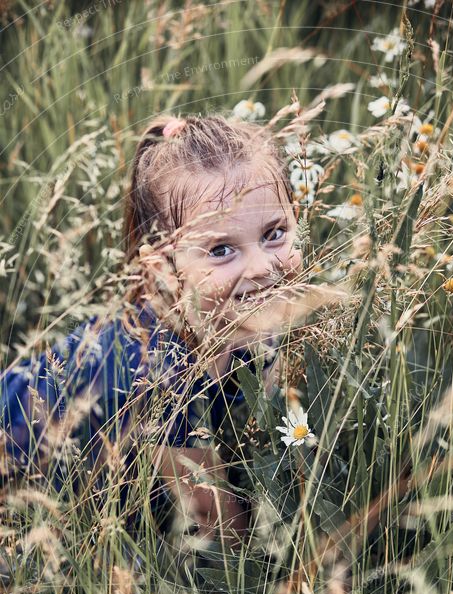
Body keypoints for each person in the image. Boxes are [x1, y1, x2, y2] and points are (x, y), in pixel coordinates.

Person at [0, 112, 304, 552]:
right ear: (163, 269)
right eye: (221, 250)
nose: (262, 268)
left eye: (274, 233)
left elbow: (268, 410)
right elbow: (218, 523)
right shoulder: (157, 370)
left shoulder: (239, 320)